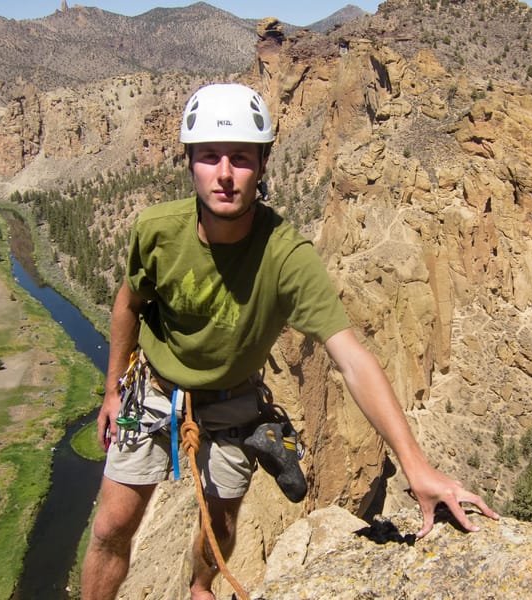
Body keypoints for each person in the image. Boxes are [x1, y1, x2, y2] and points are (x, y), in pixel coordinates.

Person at [80, 82, 498, 600]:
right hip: (152, 391)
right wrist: (113, 388)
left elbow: (350, 359)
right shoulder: (157, 230)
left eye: (241, 158)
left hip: (233, 403)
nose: (226, 174)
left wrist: (416, 466)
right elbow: (129, 303)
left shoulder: (287, 256)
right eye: (210, 157)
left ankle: (200, 588)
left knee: (222, 523)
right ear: (189, 162)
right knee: (110, 528)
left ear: (263, 163)